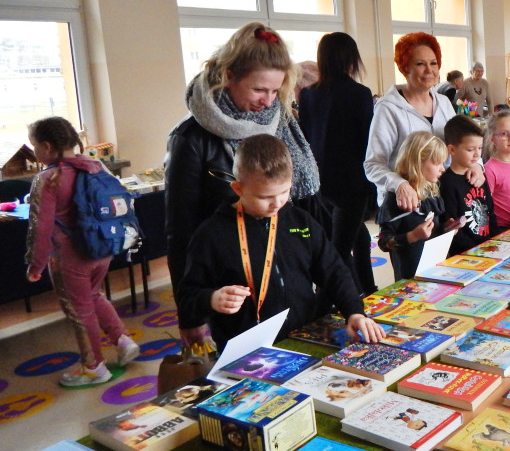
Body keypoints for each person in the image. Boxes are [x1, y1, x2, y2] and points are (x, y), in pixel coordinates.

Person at [165, 22, 322, 352]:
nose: (268, 102)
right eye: (258, 90)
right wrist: (190, 314)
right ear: (229, 76)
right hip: (231, 285)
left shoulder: (280, 122)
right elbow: (180, 233)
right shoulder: (191, 139)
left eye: (276, 91)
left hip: (286, 277)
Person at [176, 135, 384, 352]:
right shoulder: (211, 235)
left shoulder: (301, 221)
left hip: (303, 336)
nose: (276, 204)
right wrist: (212, 298)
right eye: (265, 197)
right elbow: (187, 296)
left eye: (284, 192)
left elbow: (334, 272)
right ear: (238, 189)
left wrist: (354, 312)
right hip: (245, 348)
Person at [23, 116, 140, 387]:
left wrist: (36, 264)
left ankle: (93, 367)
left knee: (79, 310)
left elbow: (40, 228)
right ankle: (122, 340)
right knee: (94, 295)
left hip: (69, 256)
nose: (35, 153)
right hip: (102, 248)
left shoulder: (48, 178)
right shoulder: (95, 166)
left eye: (35, 147)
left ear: (48, 147)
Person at [365, 32, 483, 212]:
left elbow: (461, 142)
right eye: (420, 64)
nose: (429, 70)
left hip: (443, 199)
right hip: (408, 205)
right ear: (405, 68)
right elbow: (373, 164)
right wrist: (399, 184)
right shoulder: (388, 108)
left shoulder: (443, 103)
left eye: (433, 63)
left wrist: (477, 164)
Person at [299, 32, 377, 294]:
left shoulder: (308, 95)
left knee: (359, 236)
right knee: (340, 248)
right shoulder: (360, 93)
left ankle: (368, 287)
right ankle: (345, 300)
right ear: (350, 59)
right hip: (353, 182)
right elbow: (367, 141)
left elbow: (306, 138)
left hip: (323, 181)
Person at [376, 131, 460, 279]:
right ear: (418, 162)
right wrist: (413, 236)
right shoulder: (396, 200)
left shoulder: (432, 192)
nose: (442, 168)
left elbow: (433, 232)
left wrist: (446, 229)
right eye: (436, 163)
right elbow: (384, 242)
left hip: (437, 269)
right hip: (411, 277)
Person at [439, 115, 498, 255]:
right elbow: (453, 227)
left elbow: (491, 212)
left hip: (488, 247)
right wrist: (477, 249)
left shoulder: (479, 176)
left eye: (480, 148)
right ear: (452, 150)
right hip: (466, 253)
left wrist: (497, 239)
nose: (477, 154)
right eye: (470, 150)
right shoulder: (447, 183)